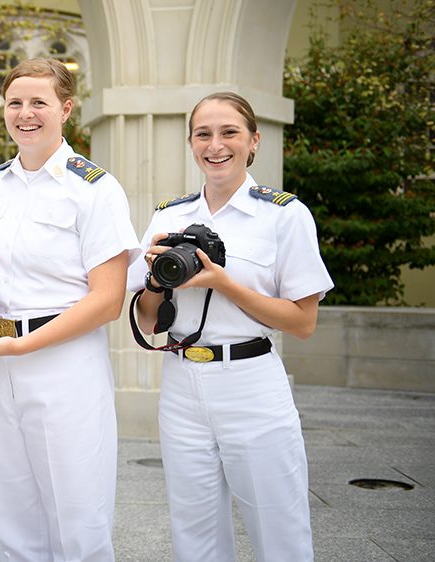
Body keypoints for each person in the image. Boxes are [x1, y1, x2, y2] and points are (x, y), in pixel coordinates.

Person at [128, 91, 333, 562]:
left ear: (253, 141)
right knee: (193, 529)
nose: (215, 145)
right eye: (203, 134)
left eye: (229, 133)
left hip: (251, 382)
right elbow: (145, 320)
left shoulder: (283, 214)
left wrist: (224, 283)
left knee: (277, 523)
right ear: (191, 142)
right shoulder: (169, 215)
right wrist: (157, 280)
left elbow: (302, 323)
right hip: (181, 383)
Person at [0, 58, 140, 561]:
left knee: (78, 516)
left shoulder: (95, 189)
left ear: (66, 108)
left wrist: (24, 345)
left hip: (64, 362)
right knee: (13, 514)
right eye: (14, 102)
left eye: (38, 102)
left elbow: (107, 300)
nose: (25, 113)